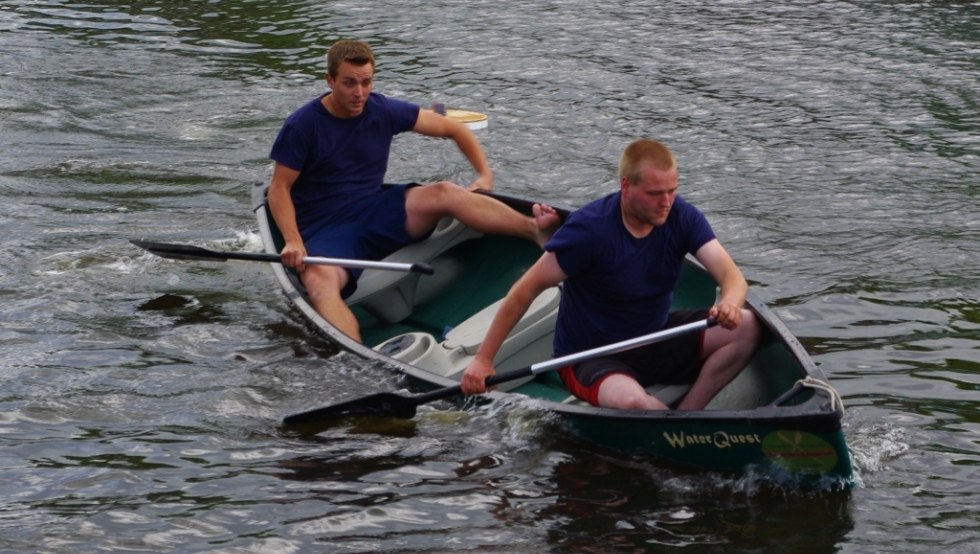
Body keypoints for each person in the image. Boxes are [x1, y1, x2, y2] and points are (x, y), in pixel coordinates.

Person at [267, 39, 559, 342]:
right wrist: (293, 241)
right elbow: (278, 189)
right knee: (318, 283)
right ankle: (358, 358)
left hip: (376, 210)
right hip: (327, 229)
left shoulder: (382, 109)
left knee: (444, 191)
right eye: (349, 83)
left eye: (366, 82)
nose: (359, 93)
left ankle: (536, 231)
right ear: (330, 81)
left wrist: (484, 175)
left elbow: (454, 129)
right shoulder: (303, 125)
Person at [461, 138, 761, 411]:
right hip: (591, 356)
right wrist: (483, 360)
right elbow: (525, 289)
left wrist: (730, 303)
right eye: (655, 194)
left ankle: (689, 416)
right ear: (626, 187)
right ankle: (672, 430)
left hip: (655, 335)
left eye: (672, 191)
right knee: (633, 402)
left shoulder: (682, 216)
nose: (666, 203)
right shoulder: (589, 230)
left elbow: (731, 276)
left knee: (746, 326)